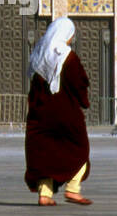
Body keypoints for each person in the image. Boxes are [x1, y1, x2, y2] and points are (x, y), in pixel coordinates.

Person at [24, 17, 92, 206]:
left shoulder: (38, 55)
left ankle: (45, 194)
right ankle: (73, 189)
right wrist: (84, 102)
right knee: (80, 149)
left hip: (41, 115)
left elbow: (34, 88)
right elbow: (80, 83)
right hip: (66, 115)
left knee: (45, 154)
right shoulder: (68, 57)